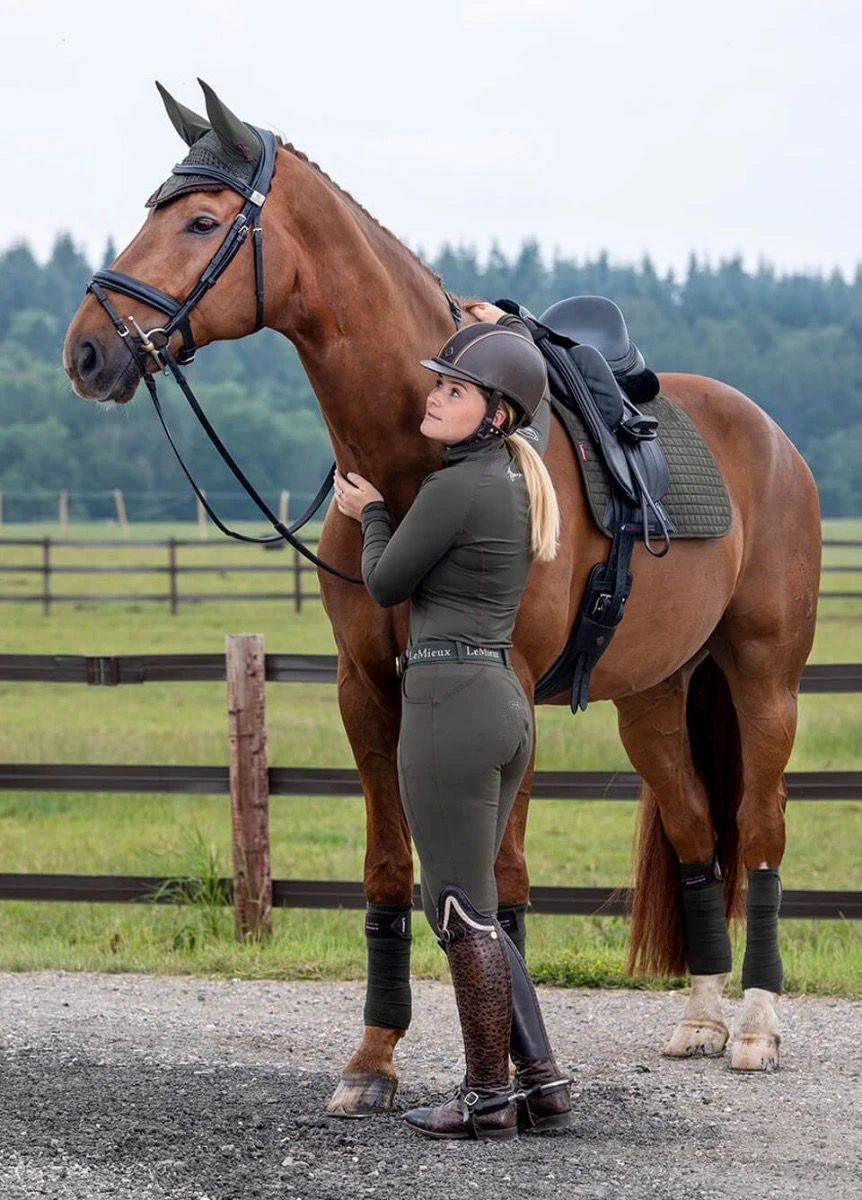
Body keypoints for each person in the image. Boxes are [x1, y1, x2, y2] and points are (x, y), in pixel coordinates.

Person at [334, 302, 571, 1141]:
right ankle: (539, 1080)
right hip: (501, 706)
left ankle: (484, 1099)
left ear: (495, 413)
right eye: (438, 382)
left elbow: (390, 583)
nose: (434, 395)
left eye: (455, 389)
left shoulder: (457, 484)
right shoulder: (512, 477)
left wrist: (368, 515)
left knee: (459, 907)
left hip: (448, 707)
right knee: (483, 906)